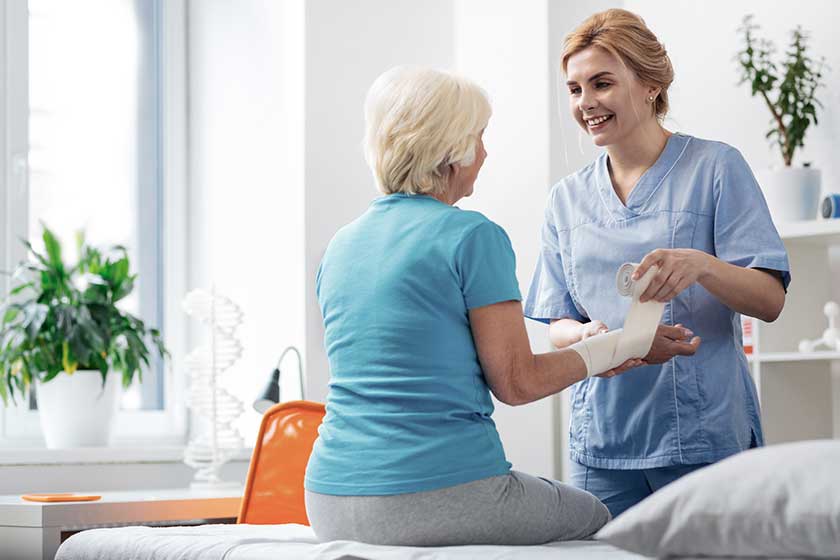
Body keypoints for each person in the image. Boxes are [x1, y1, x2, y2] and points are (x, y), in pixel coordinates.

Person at [304, 66, 645, 546]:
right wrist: (612, 350)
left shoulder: (342, 244)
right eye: (479, 137)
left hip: (327, 499)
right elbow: (516, 382)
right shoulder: (472, 236)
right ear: (454, 149)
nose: (485, 152)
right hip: (437, 493)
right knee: (596, 514)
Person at [524, 9, 790, 518]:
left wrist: (702, 266)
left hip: (702, 436)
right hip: (601, 443)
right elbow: (559, 321)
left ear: (649, 84)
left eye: (602, 83)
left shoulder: (715, 168)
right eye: (575, 89)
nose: (586, 104)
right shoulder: (566, 199)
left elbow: (771, 300)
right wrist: (585, 339)